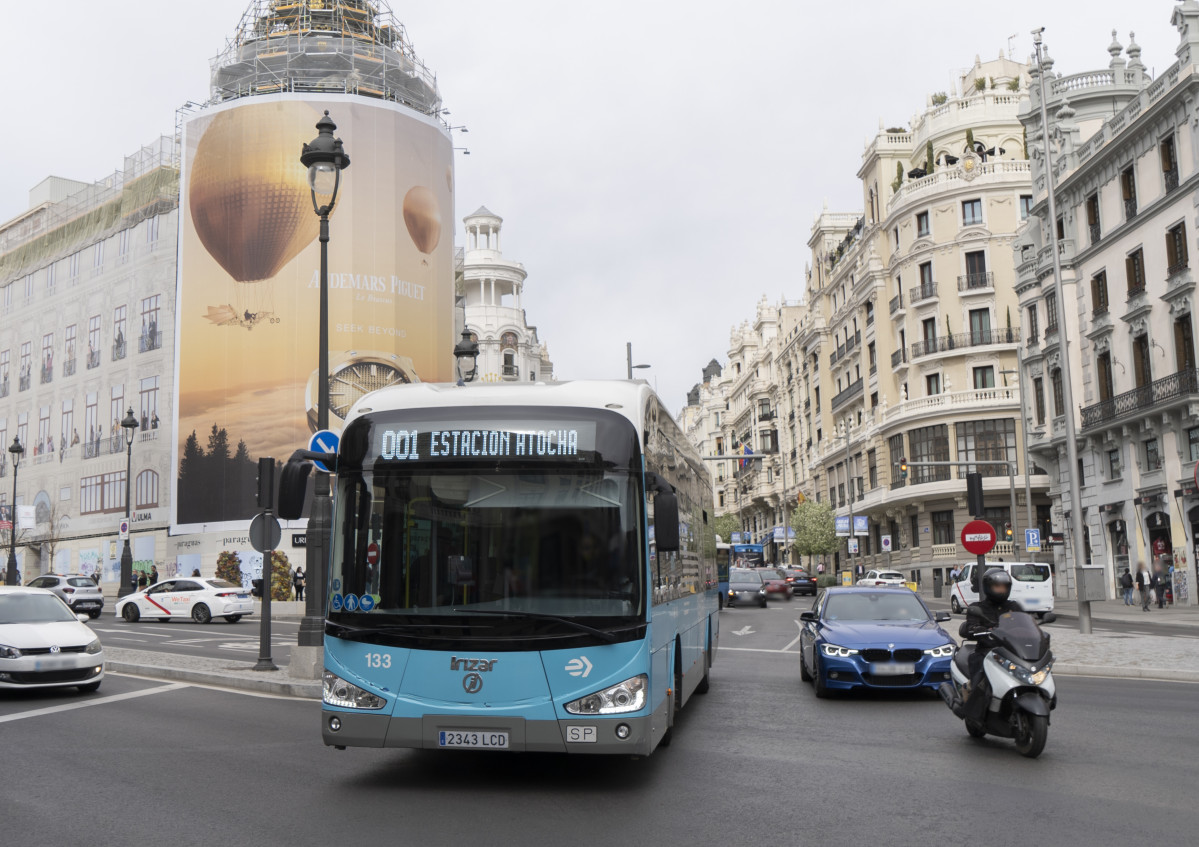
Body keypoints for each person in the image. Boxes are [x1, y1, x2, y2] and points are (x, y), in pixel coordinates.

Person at [953, 568, 1020, 721]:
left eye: (1003, 586)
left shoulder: (1014, 607)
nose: (1001, 589)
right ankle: (969, 703)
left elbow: (1024, 624)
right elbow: (970, 625)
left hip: (1010, 652)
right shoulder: (978, 608)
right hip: (986, 652)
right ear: (988, 587)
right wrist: (975, 629)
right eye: (997, 586)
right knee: (980, 681)